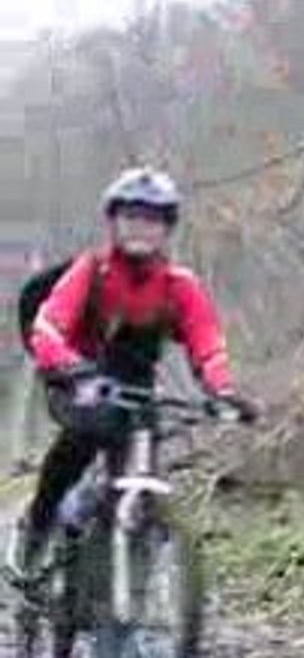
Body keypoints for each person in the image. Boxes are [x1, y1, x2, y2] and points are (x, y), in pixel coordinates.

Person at [6, 166, 257, 582]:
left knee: (137, 464)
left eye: (152, 219)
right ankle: (38, 527)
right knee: (81, 439)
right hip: (77, 378)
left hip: (137, 389)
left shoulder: (179, 286)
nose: (141, 227)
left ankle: (124, 579)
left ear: (167, 228)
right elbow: (49, 327)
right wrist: (72, 369)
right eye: (131, 217)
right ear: (114, 222)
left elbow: (207, 342)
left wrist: (223, 390)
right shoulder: (91, 271)